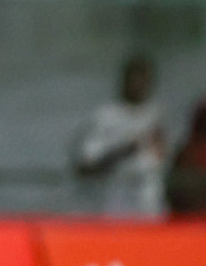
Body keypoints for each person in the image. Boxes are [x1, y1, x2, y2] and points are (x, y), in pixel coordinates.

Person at [71, 56, 166, 217]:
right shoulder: (106, 116)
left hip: (151, 212)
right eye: (135, 79)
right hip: (115, 214)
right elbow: (85, 168)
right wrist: (124, 151)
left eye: (144, 80)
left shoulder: (157, 114)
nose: (139, 85)